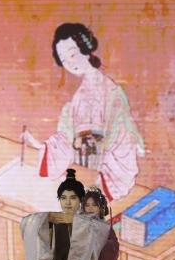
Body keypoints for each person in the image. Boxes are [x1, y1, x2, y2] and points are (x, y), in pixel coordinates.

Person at [21, 23, 145, 202]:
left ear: (86, 50)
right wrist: (41, 146)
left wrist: (91, 160)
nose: (70, 63)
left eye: (73, 54)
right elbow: (67, 138)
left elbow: (118, 140)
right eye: (64, 60)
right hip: (88, 169)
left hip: (111, 171)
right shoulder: (80, 96)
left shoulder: (111, 93)